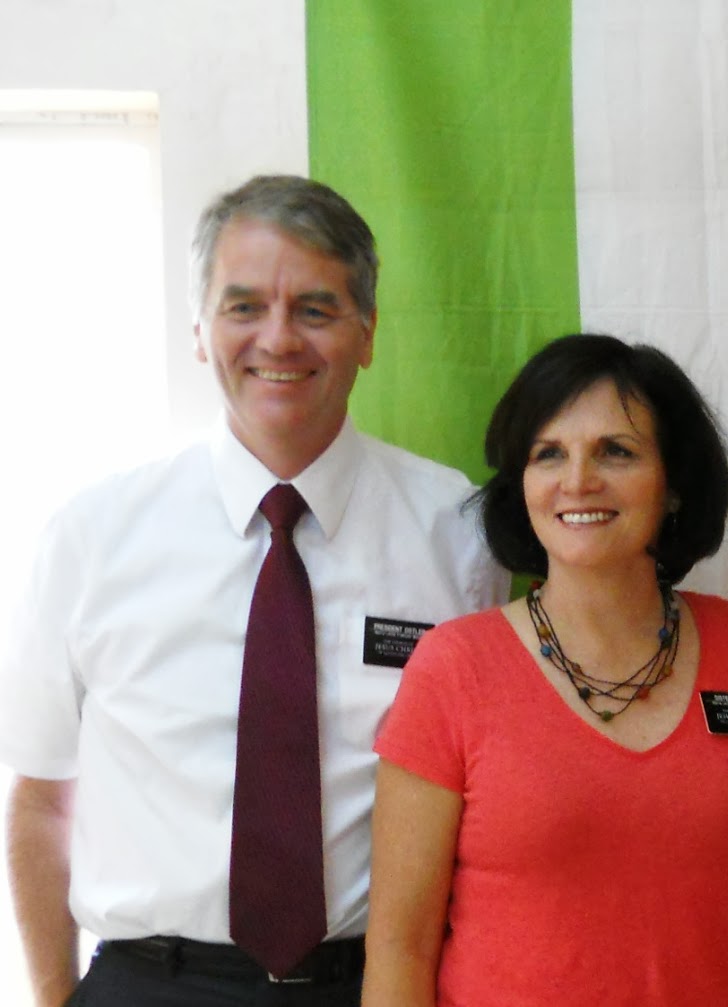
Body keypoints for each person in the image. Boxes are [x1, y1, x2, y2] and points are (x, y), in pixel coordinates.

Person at [0, 175, 508, 1006]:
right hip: (150, 983)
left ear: (368, 332)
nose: (279, 338)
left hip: (373, 983)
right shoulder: (91, 536)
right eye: (243, 307)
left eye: (315, 309)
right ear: (199, 331)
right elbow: (42, 802)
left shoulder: (458, 536)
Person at [361, 333, 728, 1005]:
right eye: (549, 454)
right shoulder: (453, 669)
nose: (577, 480)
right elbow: (401, 945)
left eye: (616, 451)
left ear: (674, 485)